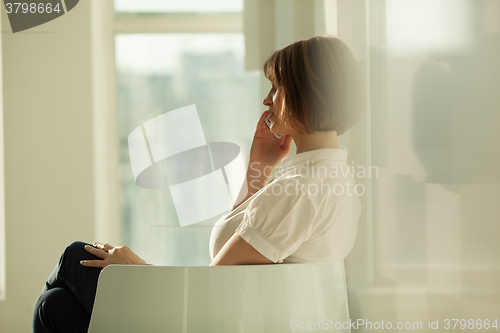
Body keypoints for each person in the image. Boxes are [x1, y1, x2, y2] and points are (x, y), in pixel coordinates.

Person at [32, 35, 364, 332]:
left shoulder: (300, 189)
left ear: (308, 93)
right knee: (55, 307)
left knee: (73, 258)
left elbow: (213, 290)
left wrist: (137, 269)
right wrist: (259, 167)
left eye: (277, 88)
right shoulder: (327, 179)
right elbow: (236, 257)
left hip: (204, 320)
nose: (267, 100)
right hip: (223, 315)